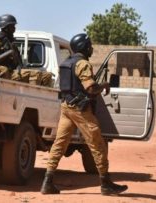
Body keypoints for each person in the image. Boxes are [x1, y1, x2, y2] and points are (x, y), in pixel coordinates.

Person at [40, 33, 128, 195]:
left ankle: (47, 182)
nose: (91, 48)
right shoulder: (82, 64)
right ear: (83, 47)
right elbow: (91, 88)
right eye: (89, 45)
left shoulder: (66, 63)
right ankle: (106, 183)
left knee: (59, 144)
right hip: (80, 109)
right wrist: (104, 85)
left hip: (66, 107)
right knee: (97, 144)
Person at [0, 14, 48, 85]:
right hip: (5, 73)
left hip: (14, 71)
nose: (14, 29)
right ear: (6, 27)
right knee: (35, 74)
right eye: (12, 26)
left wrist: (20, 66)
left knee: (47, 75)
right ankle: (30, 95)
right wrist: (8, 53)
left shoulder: (10, 41)